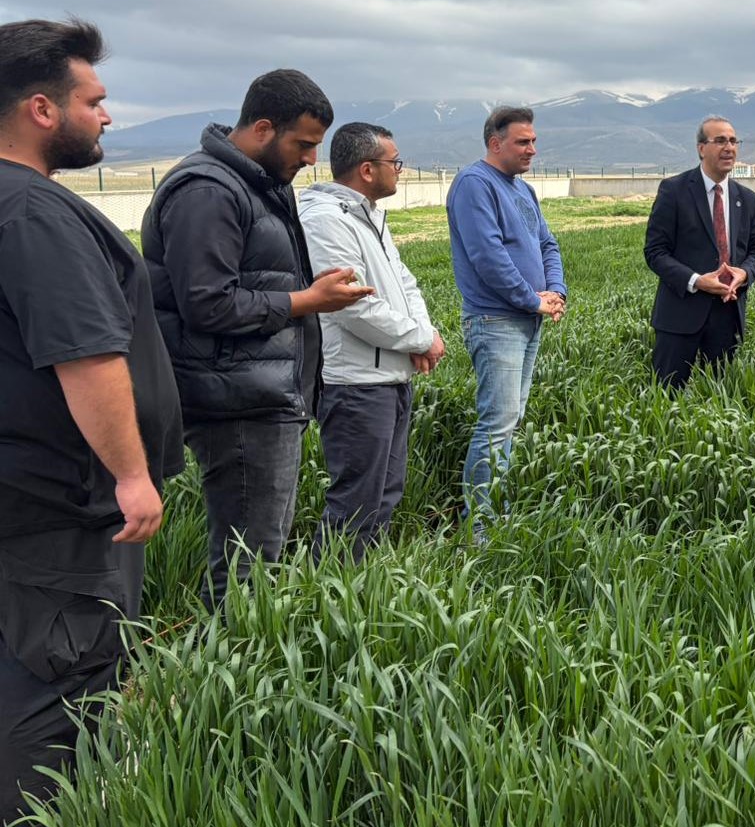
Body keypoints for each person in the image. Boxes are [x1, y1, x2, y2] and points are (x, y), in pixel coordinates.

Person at [0, 19, 184, 827]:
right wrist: (131, 473)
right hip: (59, 509)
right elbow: (86, 353)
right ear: (42, 109)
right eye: (95, 100)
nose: (107, 117)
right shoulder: (34, 213)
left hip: (17, 499)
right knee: (59, 692)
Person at [142, 70, 371, 609]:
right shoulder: (208, 190)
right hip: (235, 400)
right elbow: (208, 302)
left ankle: (231, 666)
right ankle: (217, 678)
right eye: (304, 144)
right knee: (248, 562)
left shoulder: (255, 184)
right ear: (264, 128)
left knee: (256, 553)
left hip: (259, 390)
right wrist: (306, 301)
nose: (312, 159)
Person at [300, 123, 444, 562]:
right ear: (366, 169)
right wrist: (421, 337)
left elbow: (405, 282)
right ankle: (331, 594)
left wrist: (422, 335)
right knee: (356, 503)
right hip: (356, 382)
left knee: (385, 493)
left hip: (389, 375)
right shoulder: (326, 220)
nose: (400, 170)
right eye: (394, 162)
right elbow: (350, 306)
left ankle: (365, 588)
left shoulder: (368, 216)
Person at [446, 106, 565, 535]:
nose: (532, 149)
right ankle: (480, 527)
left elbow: (548, 245)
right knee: (496, 424)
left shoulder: (522, 191)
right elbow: (488, 256)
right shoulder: (474, 185)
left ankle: (496, 512)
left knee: (508, 422)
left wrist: (555, 293)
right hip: (496, 321)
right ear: (495, 143)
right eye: (522, 141)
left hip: (525, 320)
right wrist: (530, 300)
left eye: (533, 140)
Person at [643, 115, 755, 389]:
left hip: (728, 315)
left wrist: (744, 273)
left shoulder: (748, 200)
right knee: (666, 398)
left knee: (720, 402)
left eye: (734, 141)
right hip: (679, 316)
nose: (729, 147)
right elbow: (655, 251)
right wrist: (696, 280)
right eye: (720, 140)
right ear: (701, 148)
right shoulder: (674, 190)